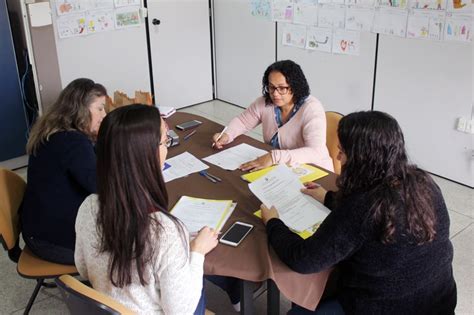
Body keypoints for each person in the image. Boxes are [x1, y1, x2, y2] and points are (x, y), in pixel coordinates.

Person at [261, 111, 457, 314]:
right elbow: (386, 220)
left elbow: (303, 259)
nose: (338, 157)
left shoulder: (362, 206)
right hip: (439, 302)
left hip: (384, 307)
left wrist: (273, 223)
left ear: (361, 159)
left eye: (342, 152)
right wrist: (329, 198)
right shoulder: (424, 183)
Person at [75, 104, 219, 314]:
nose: (167, 148)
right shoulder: (164, 231)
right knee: (196, 285)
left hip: (107, 307)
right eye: (164, 141)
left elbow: (83, 269)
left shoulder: (88, 206)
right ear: (146, 154)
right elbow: (181, 311)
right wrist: (197, 252)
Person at [20, 78, 107, 265]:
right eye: (100, 108)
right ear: (82, 109)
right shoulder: (72, 142)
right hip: (54, 241)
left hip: (38, 229)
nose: (104, 114)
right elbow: (103, 187)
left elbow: (91, 161)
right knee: (129, 241)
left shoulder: (56, 132)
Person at [212, 60, 333, 172]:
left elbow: (315, 152)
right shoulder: (265, 102)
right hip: (280, 167)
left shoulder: (311, 109)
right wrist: (227, 135)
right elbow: (243, 122)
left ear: (295, 86)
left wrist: (274, 157)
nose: (275, 93)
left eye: (282, 88)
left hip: (315, 170)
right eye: (271, 87)